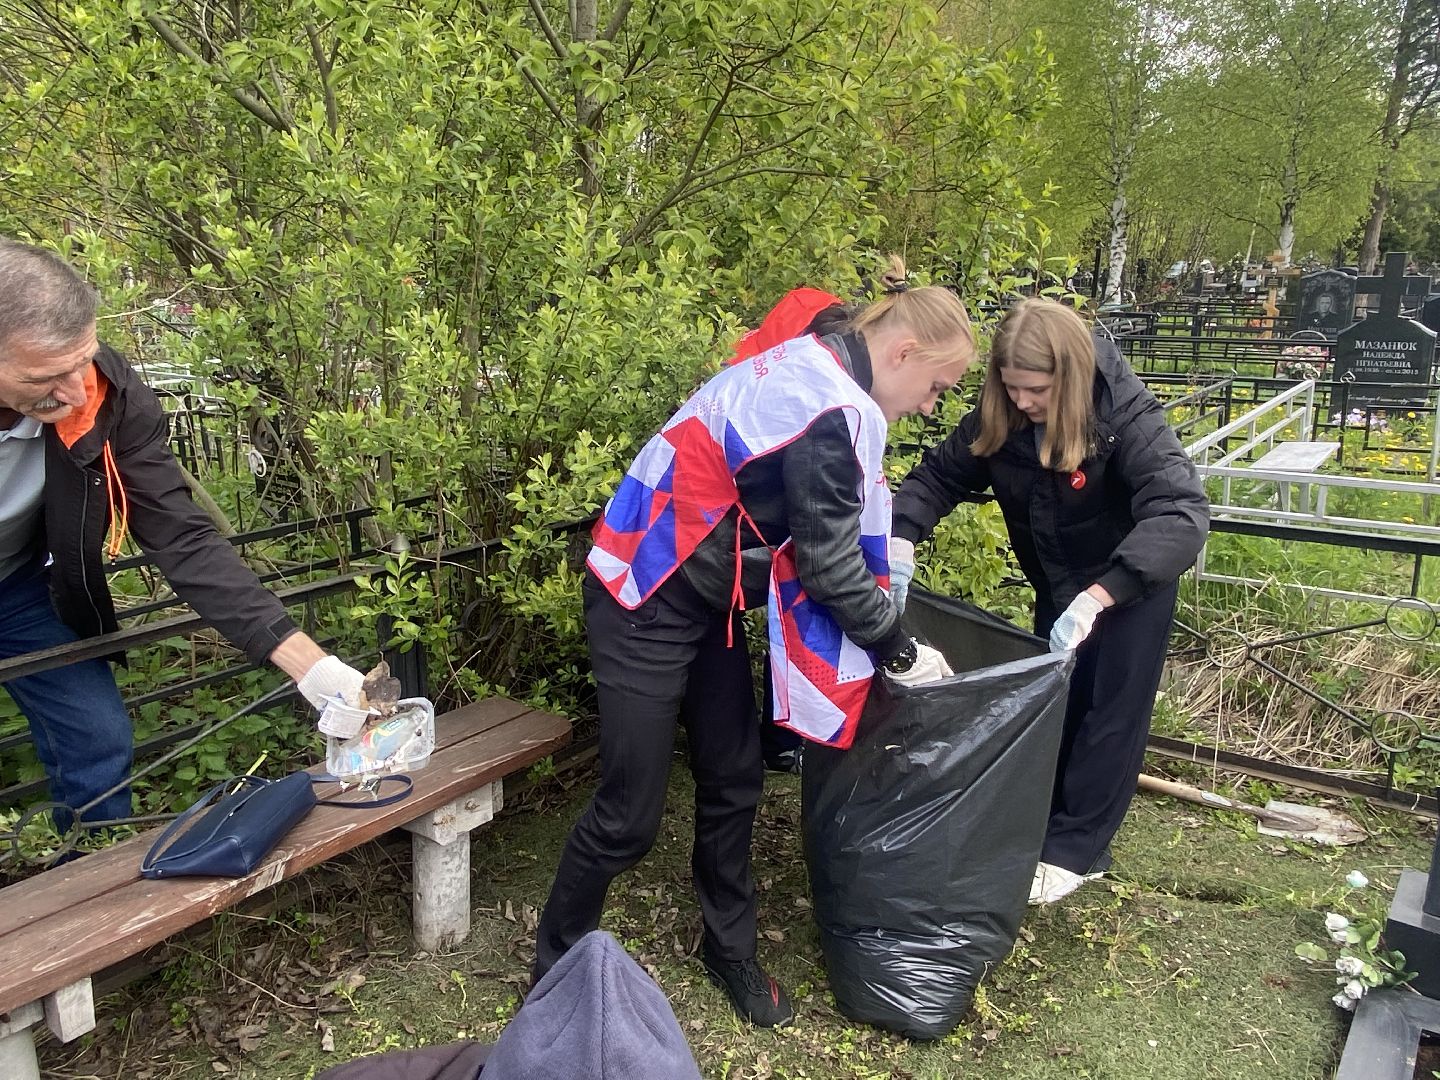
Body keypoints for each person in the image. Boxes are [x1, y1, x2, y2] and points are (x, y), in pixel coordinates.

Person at [533, 257, 974, 1026]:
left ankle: (727, 947)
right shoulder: (830, 407)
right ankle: (553, 970)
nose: (931, 409)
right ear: (902, 352)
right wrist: (899, 648)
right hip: (640, 588)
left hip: (703, 592)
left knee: (735, 775)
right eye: (937, 388)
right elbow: (833, 566)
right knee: (630, 813)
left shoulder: (829, 353)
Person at [0, 238, 366, 833]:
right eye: (45, 375)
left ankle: (93, 887)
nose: (72, 393)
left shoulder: (105, 394)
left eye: (81, 361)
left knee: (96, 734)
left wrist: (313, 668)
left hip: (15, 586)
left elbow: (179, 533)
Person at [888, 298, 1208, 905]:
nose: (1023, 403)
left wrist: (1102, 594)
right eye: (1011, 389)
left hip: (1128, 584)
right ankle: (1046, 824)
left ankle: (1075, 851)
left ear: (1069, 377)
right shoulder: (1003, 415)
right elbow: (940, 476)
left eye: (1034, 391)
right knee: (1059, 704)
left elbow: (1180, 512)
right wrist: (902, 534)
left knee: (1110, 713)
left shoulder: (1123, 415)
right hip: (1059, 585)